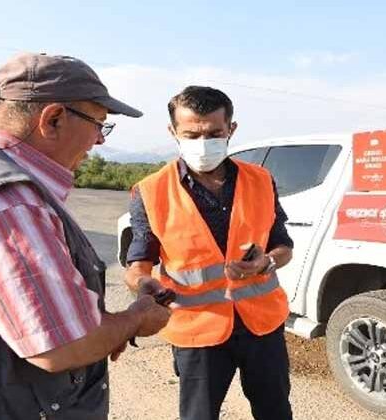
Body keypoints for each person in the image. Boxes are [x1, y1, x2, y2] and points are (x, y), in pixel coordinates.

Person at [0, 52, 171, 420]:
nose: (98, 141)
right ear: (53, 118)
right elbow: (61, 345)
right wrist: (135, 319)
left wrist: (106, 328)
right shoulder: (9, 202)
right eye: (99, 124)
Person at [124, 85, 295, 420]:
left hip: (262, 325)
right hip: (197, 332)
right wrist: (143, 285)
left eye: (214, 133)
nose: (203, 143)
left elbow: (283, 244)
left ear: (231, 130)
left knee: (275, 411)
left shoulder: (261, 180)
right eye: (191, 134)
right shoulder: (151, 191)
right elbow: (137, 265)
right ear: (173, 132)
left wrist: (268, 261)